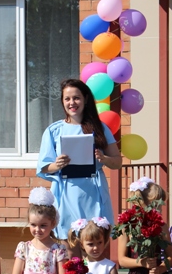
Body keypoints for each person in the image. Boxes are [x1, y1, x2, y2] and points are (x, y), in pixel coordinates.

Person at [37, 78, 122, 239]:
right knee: (70, 247)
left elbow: (117, 161)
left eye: (76, 98)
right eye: (67, 99)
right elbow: (44, 167)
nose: (72, 102)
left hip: (94, 193)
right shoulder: (53, 130)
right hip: (66, 193)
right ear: (62, 102)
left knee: (95, 243)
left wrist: (104, 159)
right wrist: (57, 164)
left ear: (85, 99)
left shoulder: (100, 128)